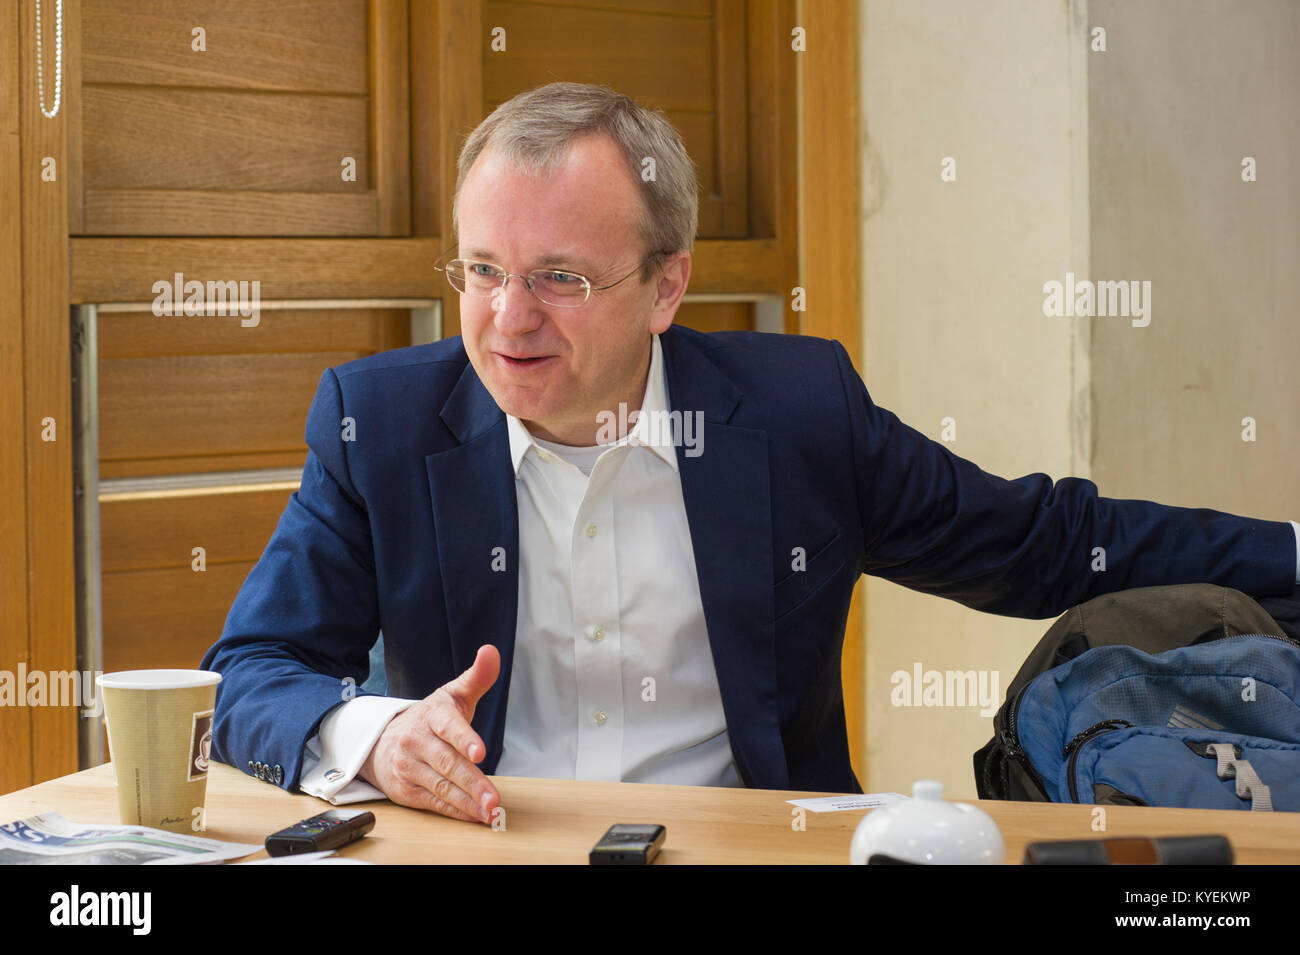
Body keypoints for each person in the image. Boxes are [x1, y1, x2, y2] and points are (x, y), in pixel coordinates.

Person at [201, 81, 1300, 825]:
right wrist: (379, 734)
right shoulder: (378, 423)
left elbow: (1049, 543)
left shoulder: (796, 413)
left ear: (667, 285)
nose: (506, 319)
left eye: (560, 278)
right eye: (483, 270)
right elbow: (251, 677)